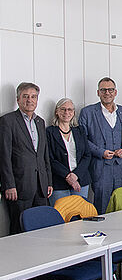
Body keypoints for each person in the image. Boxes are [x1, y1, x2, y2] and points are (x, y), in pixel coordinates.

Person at [79, 77, 122, 214]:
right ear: (98, 93)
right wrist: (100, 152)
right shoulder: (87, 113)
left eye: (110, 89)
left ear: (115, 92)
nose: (107, 93)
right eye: (103, 90)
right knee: (102, 207)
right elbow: (82, 140)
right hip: (101, 168)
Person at [0, 82, 52, 234]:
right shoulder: (8, 121)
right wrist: (9, 185)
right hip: (19, 186)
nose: (30, 100)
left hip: (41, 187)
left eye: (33, 97)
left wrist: (48, 181)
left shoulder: (40, 122)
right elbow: (4, 156)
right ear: (18, 99)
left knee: (42, 229)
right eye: (26, 96)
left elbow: (44, 155)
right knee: (19, 229)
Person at [46, 98, 91, 206]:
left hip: (81, 180)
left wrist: (75, 175)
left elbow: (87, 155)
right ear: (57, 111)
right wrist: (68, 176)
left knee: (80, 216)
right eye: (63, 109)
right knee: (61, 218)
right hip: (59, 183)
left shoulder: (80, 130)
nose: (67, 112)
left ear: (74, 112)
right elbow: (50, 159)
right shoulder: (49, 132)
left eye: (70, 109)